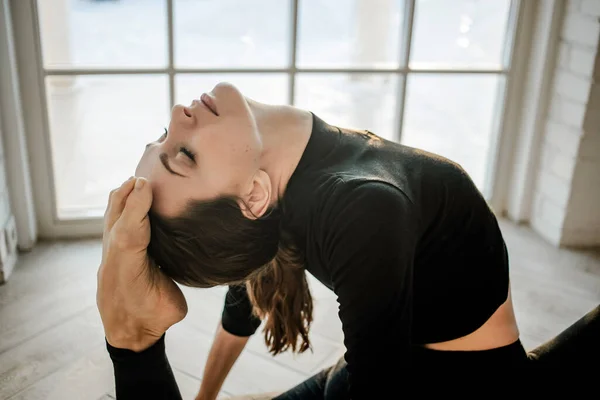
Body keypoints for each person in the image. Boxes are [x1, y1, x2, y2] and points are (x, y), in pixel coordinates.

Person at [96, 82, 599, 399]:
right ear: (251, 195)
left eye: (164, 134)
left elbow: (244, 299)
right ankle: (133, 343)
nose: (180, 114)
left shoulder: (288, 188)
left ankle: (132, 345)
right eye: (184, 155)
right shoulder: (361, 203)